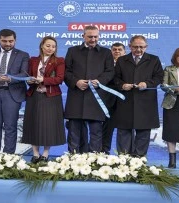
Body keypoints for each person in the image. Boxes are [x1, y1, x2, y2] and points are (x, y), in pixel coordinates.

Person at [64, 25, 115, 153]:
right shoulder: (72, 51)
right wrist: (76, 82)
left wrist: (99, 82)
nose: (93, 39)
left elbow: (110, 72)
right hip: (76, 95)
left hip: (96, 97)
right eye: (90, 36)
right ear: (83, 36)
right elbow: (66, 72)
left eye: (95, 36)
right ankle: (73, 159)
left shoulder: (106, 52)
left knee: (96, 131)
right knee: (74, 131)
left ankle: (94, 160)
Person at [114, 35, 164, 157]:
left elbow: (159, 77)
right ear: (130, 46)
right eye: (135, 47)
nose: (138, 50)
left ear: (146, 47)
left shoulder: (154, 59)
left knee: (143, 132)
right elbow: (115, 78)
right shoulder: (121, 60)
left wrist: (147, 84)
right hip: (125, 101)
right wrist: (122, 85)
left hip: (145, 102)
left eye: (141, 47)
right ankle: (123, 160)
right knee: (124, 131)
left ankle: (139, 160)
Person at [0, 29, 29, 154]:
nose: (8, 44)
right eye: (4, 41)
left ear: (15, 40)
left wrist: (10, 78)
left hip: (12, 94)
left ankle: (9, 157)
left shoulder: (23, 55)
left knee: (10, 127)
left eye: (11, 41)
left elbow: (24, 73)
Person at [22, 36, 66, 163]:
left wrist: (43, 80)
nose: (50, 48)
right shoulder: (33, 60)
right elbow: (28, 76)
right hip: (34, 95)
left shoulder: (59, 61)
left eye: (53, 46)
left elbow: (59, 79)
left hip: (51, 96)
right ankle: (35, 154)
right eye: (48, 45)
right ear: (42, 46)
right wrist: (30, 80)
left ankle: (46, 154)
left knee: (49, 126)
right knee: (33, 124)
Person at [101, 42, 126, 154]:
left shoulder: (129, 64)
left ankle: (124, 154)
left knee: (125, 129)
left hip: (125, 101)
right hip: (108, 100)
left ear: (124, 52)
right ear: (110, 52)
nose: (117, 51)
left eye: (119, 49)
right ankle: (104, 151)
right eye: (114, 49)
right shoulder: (105, 64)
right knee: (107, 128)